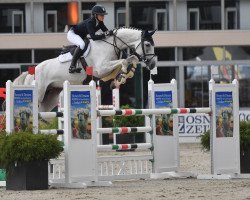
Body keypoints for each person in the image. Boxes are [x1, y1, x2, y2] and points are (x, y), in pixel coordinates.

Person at [67, 5, 112, 73]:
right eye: (101, 15)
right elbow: (93, 37)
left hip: (81, 36)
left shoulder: (100, 22)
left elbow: (106, 31)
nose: (103, 16)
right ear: (95, 15)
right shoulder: (90, 22)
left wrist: (113, 33)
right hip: (72, 34)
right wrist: (105, 35)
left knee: (88, 44)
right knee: (82, 44)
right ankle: (72, 66)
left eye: (103, 15)